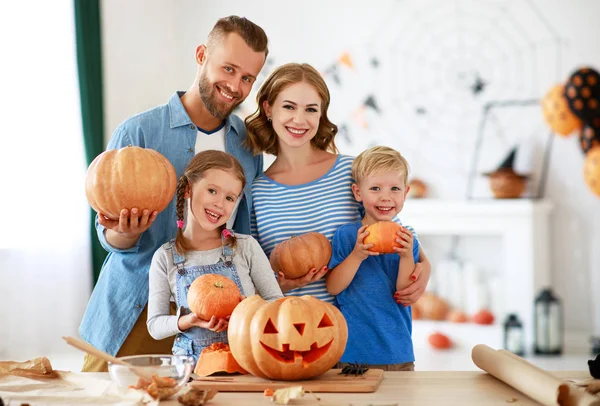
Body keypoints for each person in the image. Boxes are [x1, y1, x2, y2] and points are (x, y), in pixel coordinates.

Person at [79, 16, 269, 372]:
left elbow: (243, 233)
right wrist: (126, 232)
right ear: (201, 55)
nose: (235, 86)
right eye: (227, 68)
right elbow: (107, 235)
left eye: (247, 78)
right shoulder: (138, 132)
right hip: (134, 308)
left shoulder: (249, 146)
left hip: (211, 315)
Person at [245, 63, 431, 304]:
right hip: (287, 328)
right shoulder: (258, 192)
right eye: (288, 107)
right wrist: (281, 284)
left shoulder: (350, 171)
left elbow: (389, 228)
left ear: (321, 114)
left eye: (311, 109)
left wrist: (425, 266)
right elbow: (251, 274)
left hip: (353, 329)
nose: (299, 119)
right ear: (269, 109)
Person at [146, 150, 282, 362]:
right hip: (191, 371)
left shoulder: (246, 247)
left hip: (246, 363)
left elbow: (276, 304)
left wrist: (249, 311)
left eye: (229, 197)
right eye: (212, 191)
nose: (220, 203)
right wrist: (188, 321)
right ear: (188, 190)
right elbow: (155, 326)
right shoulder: (165, 257)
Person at [326, 146, 420, 371]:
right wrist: (357, 255)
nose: (386, 197)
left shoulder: (409, 241)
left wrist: (407, 256)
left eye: (394, 189)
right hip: (353, 354)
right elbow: (333, 287)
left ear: (405, 194)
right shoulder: (348, 236)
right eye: (375, 188)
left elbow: (405, 294)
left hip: (398, 353)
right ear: (358, 193)